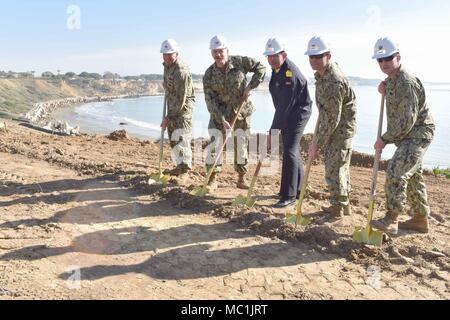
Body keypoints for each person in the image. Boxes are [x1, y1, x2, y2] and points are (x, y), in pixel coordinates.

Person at [370, 37, 435, 235]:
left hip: (418, 133)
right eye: (380, 60)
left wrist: (384, 139)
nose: (383, 64)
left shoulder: (406, 83)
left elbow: (406, 121)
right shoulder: (393, 80)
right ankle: (419, 219)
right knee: (412, 174)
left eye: (388, 59)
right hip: (408, 135)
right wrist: (386, 86)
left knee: (396, 171)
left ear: (398, 57)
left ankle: (391, 219)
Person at [203, 35, 266, 190]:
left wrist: (250, 86)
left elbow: (260, 68)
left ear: (227, 50)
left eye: (221, 51)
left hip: (241, 111)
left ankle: (241, 178)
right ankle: (212, 178)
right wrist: (222, 119)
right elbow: (210, 100)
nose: (218, 54)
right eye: (215, 51)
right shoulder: (209, 74)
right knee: (214, 144)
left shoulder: (239, 62)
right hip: (220, 114)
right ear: (211, 53)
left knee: (240, 144)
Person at [306, 36, 357, 218]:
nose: (313, 61)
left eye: (318, 56)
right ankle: (344, 205)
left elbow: (333, 119)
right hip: (334, 125)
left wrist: (316, 143)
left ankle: (338, 208)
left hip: (341, 129)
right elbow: (326, 111)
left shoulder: (334, 80)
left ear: (328, 55)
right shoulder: (322, 76)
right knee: (339, 166)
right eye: (311, 57)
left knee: (334, 167)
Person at [263, 38, 312, 208]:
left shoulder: (290, 74)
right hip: (287, 112)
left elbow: (284, 107)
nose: (271, 59)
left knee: (289, 150)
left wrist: (272, 133)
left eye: (274, 56)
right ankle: (298, 189)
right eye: (268, 56)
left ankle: (288, 194)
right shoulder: (277, 70)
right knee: (293, 149)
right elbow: (282, 106)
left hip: (298, 113)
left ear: (283, 54)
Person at [160, 39, 195, 180]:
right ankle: (179, 166)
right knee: (173, 138)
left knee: (181, 139)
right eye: (165, 54)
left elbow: (181, 99)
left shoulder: (180, 71)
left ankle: (185, 171)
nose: (167, 57)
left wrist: (168, 117)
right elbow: (173, 89)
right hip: (173, 106)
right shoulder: (167, 66)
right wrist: (167, 87)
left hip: (183, 110)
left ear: (177, 53)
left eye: (170, 54)